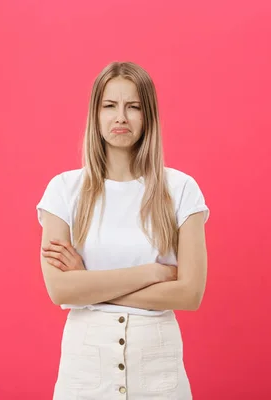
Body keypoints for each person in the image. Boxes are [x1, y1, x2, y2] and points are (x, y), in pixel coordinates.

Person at [36, 61, 209, 399]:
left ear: (149, 117)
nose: (121, 118)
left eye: (133, 107)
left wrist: (88, 284)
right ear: (95, 114)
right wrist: (154, 272)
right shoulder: (63, 190)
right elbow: (60, 290)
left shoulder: (182, 189)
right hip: (84, 372)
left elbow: (190, 294)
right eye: (110, 106)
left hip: (159, 372)